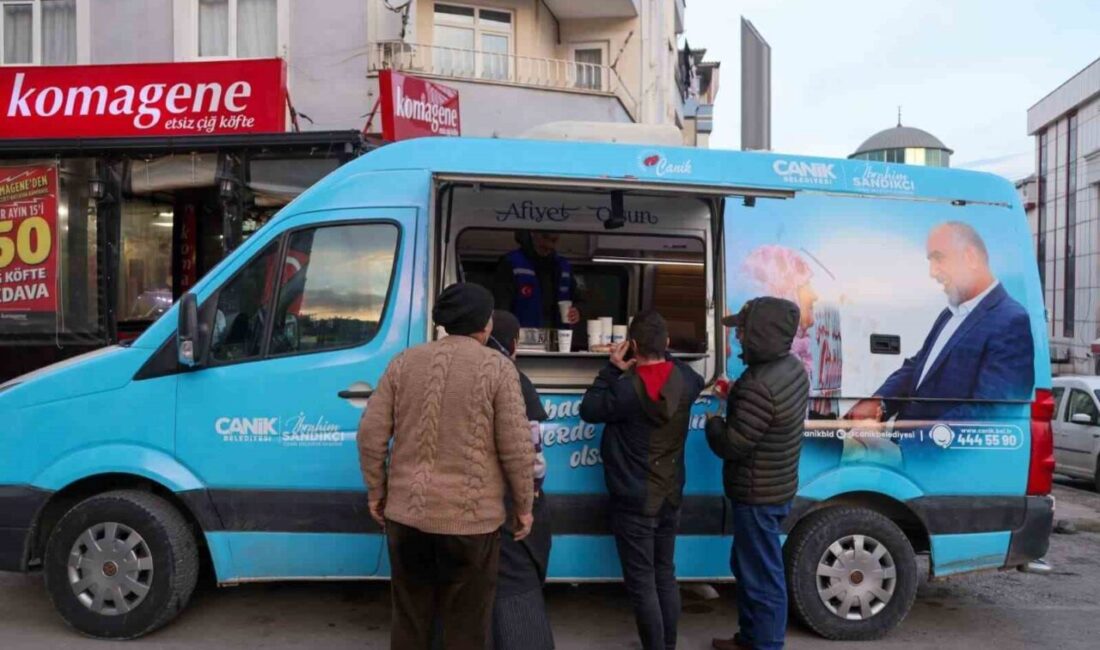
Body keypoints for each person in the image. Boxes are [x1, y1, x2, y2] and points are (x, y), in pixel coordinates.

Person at [357, 283, 535, 650]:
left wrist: (377, 492)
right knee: (467, 629)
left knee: (410, 621)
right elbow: (517, 448)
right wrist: (524, 507)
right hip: (472, 525)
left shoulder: (403, 362)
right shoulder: (499, 369)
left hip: (406, 519)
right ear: (485, 325)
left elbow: (370, 435)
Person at [580, 311, 705, 650]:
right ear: (666, 343)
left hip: (634, 500)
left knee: (642, 582)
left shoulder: (625, 390)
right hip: (669, 496)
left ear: (632, 346)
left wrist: (612, 368)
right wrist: (659, 352)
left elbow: (588, 408)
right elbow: (685, 374)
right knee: (665, 573)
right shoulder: (688, 381)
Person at [846, 221, 1034, 423]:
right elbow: (918, 368)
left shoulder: (1010, 321)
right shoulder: (950, 313)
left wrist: (904, 450)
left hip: (929, 453)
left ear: (970, 257)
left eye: (938, 259)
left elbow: (989, 416)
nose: (932, 272)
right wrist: (880, 403)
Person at [706, 297, 809, 650]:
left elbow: (733, 444)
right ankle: (751, 638)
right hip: (776, 485)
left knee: (761, 576)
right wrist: (737, 396)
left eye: (742, 331)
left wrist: (714, 423)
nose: (737, 337)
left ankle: (764, 644)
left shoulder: (758, 384)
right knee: (750, 566)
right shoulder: (792, 367)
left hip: (756, 493)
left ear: (759, 334)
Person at [486, 310, 556, 650]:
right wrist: (529, 502)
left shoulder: (446, 370)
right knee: (514, 586)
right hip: (504, 507)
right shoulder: (514, 380)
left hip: (458, 507)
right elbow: (530, 458)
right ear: (514, 344)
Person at [493, 231, 581, 329]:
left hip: (558, 338)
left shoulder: (563, 266)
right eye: (545, 237)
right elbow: (501, 309)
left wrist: (577, 311)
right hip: (523, 337)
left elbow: (578, 300)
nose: (549, 244)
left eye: (553, 240)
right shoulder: (511, 262)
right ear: (533, 233)